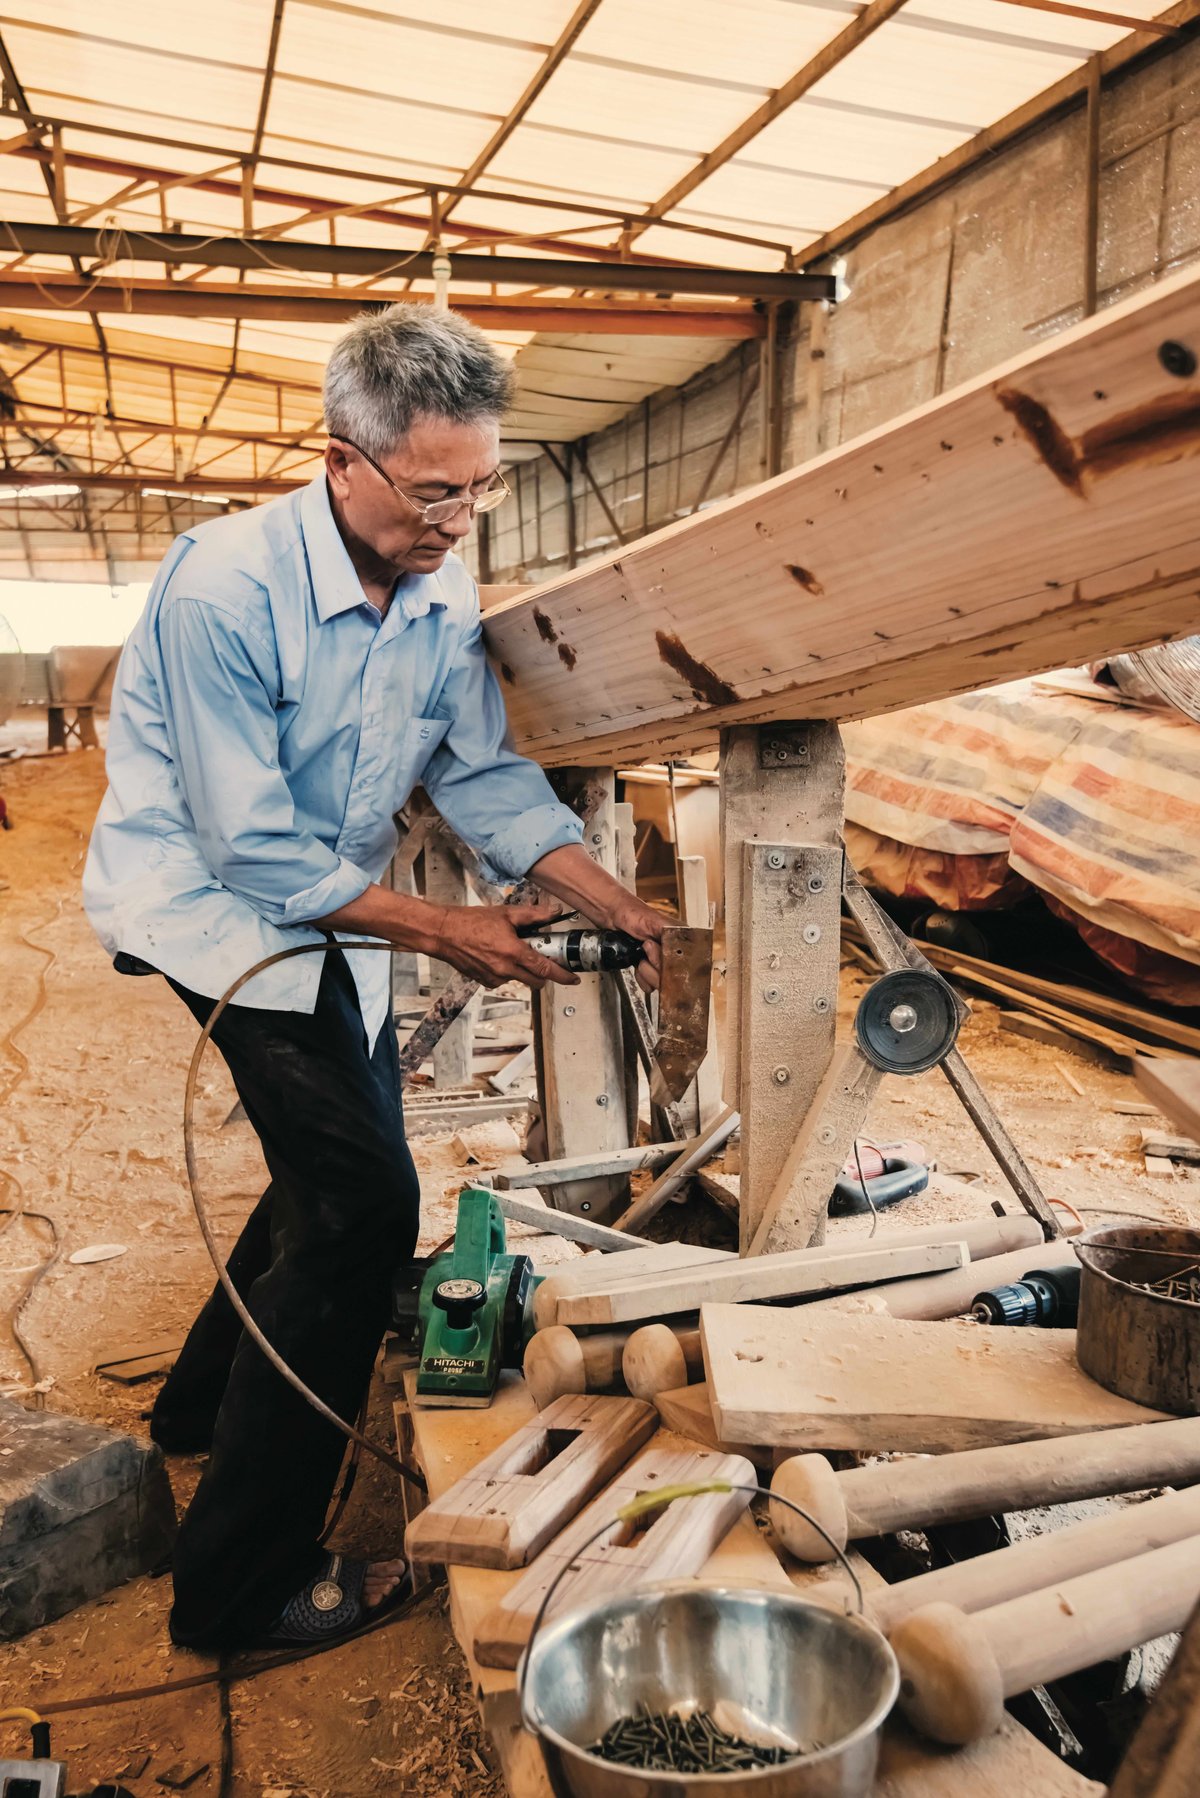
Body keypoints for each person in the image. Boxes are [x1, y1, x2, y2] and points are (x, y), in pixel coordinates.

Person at [83, 303, 663, 1651]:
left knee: (326, 1157)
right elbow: (245, 839)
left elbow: (473, 768)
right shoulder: (226, 584)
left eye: (481, 486)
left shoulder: (442, 578)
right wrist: (446, 931)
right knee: (360, 1198)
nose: (458, 517)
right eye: (432, 490)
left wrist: (598, 889)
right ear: (341, 458)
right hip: (208, 905)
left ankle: (192, 1408)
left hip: (326, 904)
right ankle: (239, 1586)